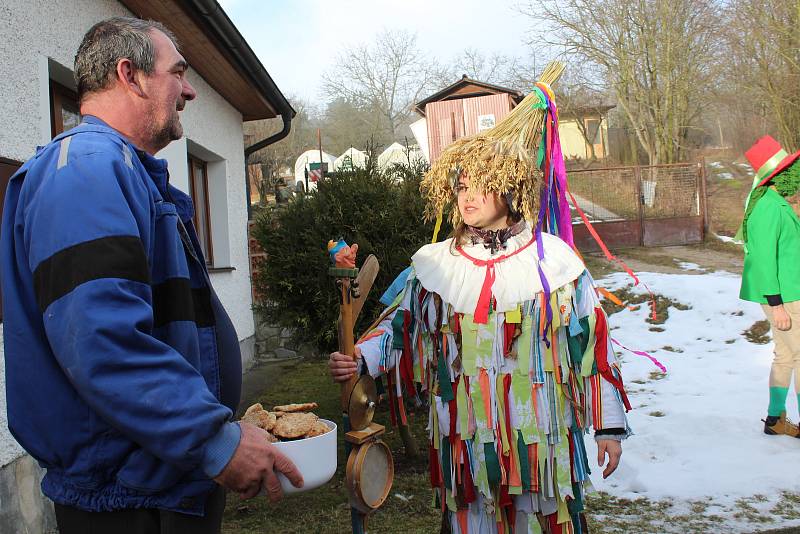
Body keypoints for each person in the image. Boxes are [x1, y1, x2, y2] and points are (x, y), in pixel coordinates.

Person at [1, 17, 301, 534]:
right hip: (130, 502)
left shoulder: (120, 170)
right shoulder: (86, 171)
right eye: (177, 73)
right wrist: (215, 443)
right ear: (131, 75)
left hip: (156, 485)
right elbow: (104, 341)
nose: (188, 90)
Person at [330, 74, 630, 533]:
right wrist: (361, 360)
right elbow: (401, 328)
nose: (466, 196)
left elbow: (591, 348)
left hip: (542, 448)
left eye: (480, 186)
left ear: (510, 191)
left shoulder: (555, 263)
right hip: (464, 448)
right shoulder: (437, 266)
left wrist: (607, 427)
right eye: (461, 186)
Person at [739, 135, 800, 439]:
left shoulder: (775, 202)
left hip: (788, 291)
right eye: (790, 168)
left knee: (787, 355)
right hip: (786, 296)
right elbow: (763, 259)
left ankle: (775, 419)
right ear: (777, 175)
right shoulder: (769, 207)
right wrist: (776, 304)